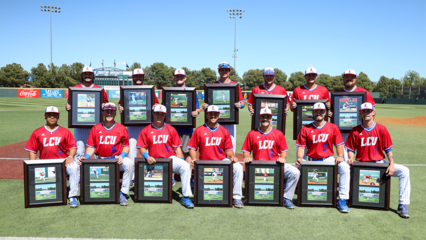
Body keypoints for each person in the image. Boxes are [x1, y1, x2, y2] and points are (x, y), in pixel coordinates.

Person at [345, 102, 411, 218]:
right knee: (344, 169)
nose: (366, 113)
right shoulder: (355, 130)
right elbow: (350, 149)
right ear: (360, 113)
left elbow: (388, 150)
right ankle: (346, 199)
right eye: (364, 111)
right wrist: (351, 158)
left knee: (404, 171)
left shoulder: (382, 129)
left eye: (369, 111)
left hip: (379, 164)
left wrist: (391, 164)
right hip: (361, 164)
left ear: (373, 112)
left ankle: (403, 205)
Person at [295, 102, 351, 213]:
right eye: (316, 111)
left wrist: (340, 156)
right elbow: (301, 148)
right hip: (311, 160)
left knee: (344, 167)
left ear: (325, 112)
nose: (318, 113)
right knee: (296, 170)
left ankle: (343, 199)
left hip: (328, 160)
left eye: (321, 111)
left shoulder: (333, 127)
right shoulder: (306, 128)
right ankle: (295, 195)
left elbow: (339, 145)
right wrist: (300, 158)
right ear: (313, 112)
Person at [136, 104, 194, 209]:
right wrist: (147, 156)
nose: (159, 116)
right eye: (157, 113)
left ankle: (185, 197)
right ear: (153, 114)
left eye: (161, 114)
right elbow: (142, 147)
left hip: (169, 159)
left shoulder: (171, 129)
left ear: (165, 115)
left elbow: (177, 148)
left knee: (185, 166)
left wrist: (180, 161)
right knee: (153, 192)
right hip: (153, 161)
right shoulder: (146, 130)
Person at [242, 108, 300, 209]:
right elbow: (246, 151)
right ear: (259, 118)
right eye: (263, 117)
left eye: (268, 117)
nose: (265, 119)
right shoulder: (252, 133)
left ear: (271, 118)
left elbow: (283, 151)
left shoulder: (278, 133)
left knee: (295, 172)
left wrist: (282, 158)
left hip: (275, 165)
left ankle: (286, 198)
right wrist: (247, 157)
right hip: (258, 167)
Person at [188, 105, 244, 209]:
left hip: (221, 161)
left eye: (215, 114)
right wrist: (194, 159)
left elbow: (229, 150)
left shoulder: (224, 131)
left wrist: (232, 157)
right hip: (205, 162)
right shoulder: (199, 130)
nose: (213, 116)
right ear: (207, 114)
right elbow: (192, 148)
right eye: (210, 114)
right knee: (203, 193)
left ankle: (237, 197)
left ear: (218, 115)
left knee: (239, 167)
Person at [80, 103, 134, 206]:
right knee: (101, 189)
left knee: (129, 163)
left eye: (112, 111)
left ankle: (123, 192)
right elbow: (91, 146)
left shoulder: (122, 128)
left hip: (116, 159)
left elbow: (126, 146)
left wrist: (122, 156)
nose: (109, 113)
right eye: (107, 111)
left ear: (115, 113)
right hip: (100, 159)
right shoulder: (96, 128)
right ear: (103, 112)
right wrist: (86, 157)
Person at [25, 106, 80, 208]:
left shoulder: (65, 131)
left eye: (54, 114)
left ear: (58, 116)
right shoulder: (37, 132)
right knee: (46, 191)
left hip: (63, 162)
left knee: (74, 167)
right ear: (44, 116)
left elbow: (73, 147)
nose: (52, 116)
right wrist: (32, 166)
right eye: (49, 114)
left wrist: (70, 156)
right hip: (45, 163)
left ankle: (72, 196)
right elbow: (32, 151)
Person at [66, 66, 109, 163]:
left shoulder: (100, 90)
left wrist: (104, 105)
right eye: (85, 74)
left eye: (89, 74)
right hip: (79, 125)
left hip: (96, 125)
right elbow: (69, 103)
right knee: (80, 151)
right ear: (82, 75)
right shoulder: (75, 89)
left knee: (99, 150)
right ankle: (80, 175)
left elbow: (106, 106)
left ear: (93, 75)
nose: (87, 76)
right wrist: (67, 106)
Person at [118, 69, 159, 166]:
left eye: (140, 76)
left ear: (143, 77)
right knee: (132, 150)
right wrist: (121, 108)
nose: (138, 78)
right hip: (132, 124)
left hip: (147, 124)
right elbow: (121, 103)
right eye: (136, 76)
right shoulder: (127, 90)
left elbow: (156, 103)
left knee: (150, 148)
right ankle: (132, 175)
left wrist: (155, 106)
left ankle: (149, 171)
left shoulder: (149, 90)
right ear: (133, 77)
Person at [202, 62, 245, 153]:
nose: (224, 72)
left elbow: (242, 103)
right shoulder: (213, 85)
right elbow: (208, 102)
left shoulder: (235, 85)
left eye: (226, 70)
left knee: (230, 146)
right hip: (215, 120)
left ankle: (230, 165)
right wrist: (205, 106)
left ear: (229, 71)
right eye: (222, 70)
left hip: (230, 120)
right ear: (219, 71)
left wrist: (240, 105)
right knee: (216, 145)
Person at [290, 66, 331, 160]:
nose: (311, 77)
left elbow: (328, 108)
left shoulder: (323, 90)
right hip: (302, 127)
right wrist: (293, 106)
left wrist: (329, 107)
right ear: (305, 76)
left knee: (318, 155)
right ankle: (300, 174)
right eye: (309, 75)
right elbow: (292, 108)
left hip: (319, 130)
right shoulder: (297, 90)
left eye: (313, 75)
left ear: (316, 76)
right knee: (300, 158)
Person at [169, 69, 201, 185]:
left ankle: (187, 176)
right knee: (171, 152)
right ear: (174, 77)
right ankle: (171, 177)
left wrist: (196, 112)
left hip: (187, 127)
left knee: (186, 152)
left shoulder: (191, 91)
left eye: (181, 76)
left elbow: (197, 108)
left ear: (185, 77)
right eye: (177, 76)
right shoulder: (169, 91)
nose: (179, 78)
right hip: (172, 128)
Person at [336, 69, 376, 161]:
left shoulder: (364, 92)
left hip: (361, 130)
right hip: (344, 131)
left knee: (363, 156)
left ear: (355, 78)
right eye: (347, 77)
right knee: (346, 159)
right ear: (343, 78)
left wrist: (368, 126)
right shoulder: (338, 94)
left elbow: (373, 110)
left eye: (352, 77)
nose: (349, 79)